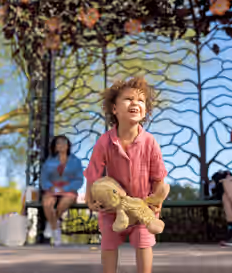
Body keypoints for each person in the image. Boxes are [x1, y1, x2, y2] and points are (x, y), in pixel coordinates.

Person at [84, 77, 169, 273]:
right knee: (109, 241)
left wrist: (157, 203)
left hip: (142, 206)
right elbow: (92, 173)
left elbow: (159, 177)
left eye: (140, 100)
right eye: (128, 99)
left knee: (143, 242)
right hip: (113, 204)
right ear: (114, 109)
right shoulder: (105, 142)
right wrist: (90, 199)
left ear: (146, 110)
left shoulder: (150, 142)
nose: (135, 103)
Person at [40, 135, 84, 246]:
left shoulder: (75, 161)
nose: (61, 145)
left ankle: (51, 223)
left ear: (68, 145)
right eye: (58, 143)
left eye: (64, 142)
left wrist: (64, 189)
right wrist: (51, 187)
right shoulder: (49, 162)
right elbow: (44, 178)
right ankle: (56, 231)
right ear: (55, 147)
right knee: (47, 203)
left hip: (68, 189)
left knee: (63, 204)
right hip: (52, 189)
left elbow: (79, 180)